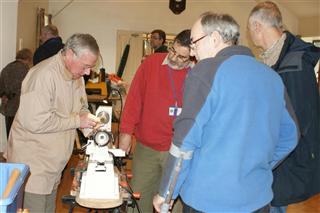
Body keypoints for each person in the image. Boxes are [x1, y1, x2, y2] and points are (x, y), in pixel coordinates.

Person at [153, 12, 299, 213]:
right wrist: (258, 166)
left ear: (214, 38)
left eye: (194, 43)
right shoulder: (271, 76)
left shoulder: (205, 71)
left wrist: (166, 194)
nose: (193, 53)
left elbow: (184, 142)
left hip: (208, 201)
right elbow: (290, 136)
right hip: (258, 200)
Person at [5, 33, 100, 213]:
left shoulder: (76, 75)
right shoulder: (42, 76)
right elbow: (36, 122)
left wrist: (88, 125)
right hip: (34, 169)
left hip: (53, 167)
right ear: (70, 54)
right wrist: (77, 121)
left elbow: (82, 106)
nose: (88, 72)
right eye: (86, 66)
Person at [247, 2, 320, 212]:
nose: (251, 35)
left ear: (258, 27)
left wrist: (266, 159)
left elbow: (297, 123)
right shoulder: (278, 60)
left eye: (250, 29)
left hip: (286, 163)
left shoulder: (294, 64)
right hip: (280, 163)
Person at [119, 29, 193, 213]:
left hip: (179, 152)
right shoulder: (151, 64)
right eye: (173, 51)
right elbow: (134, 100)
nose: (175, 58)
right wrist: (125, 133)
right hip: (147, 149)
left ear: (193, 55)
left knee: (172, 206)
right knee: (137, 201)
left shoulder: (197, 73)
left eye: (182, 57)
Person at [0, 48, 33, 137]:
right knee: (20, 135)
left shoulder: (6, 68)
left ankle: (10, 150)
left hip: (8, 106)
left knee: (10, 133)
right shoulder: (26, 70)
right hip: (20, 107)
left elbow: (1, 88)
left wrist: (6, 96)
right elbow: (29, 88)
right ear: (28, 58)